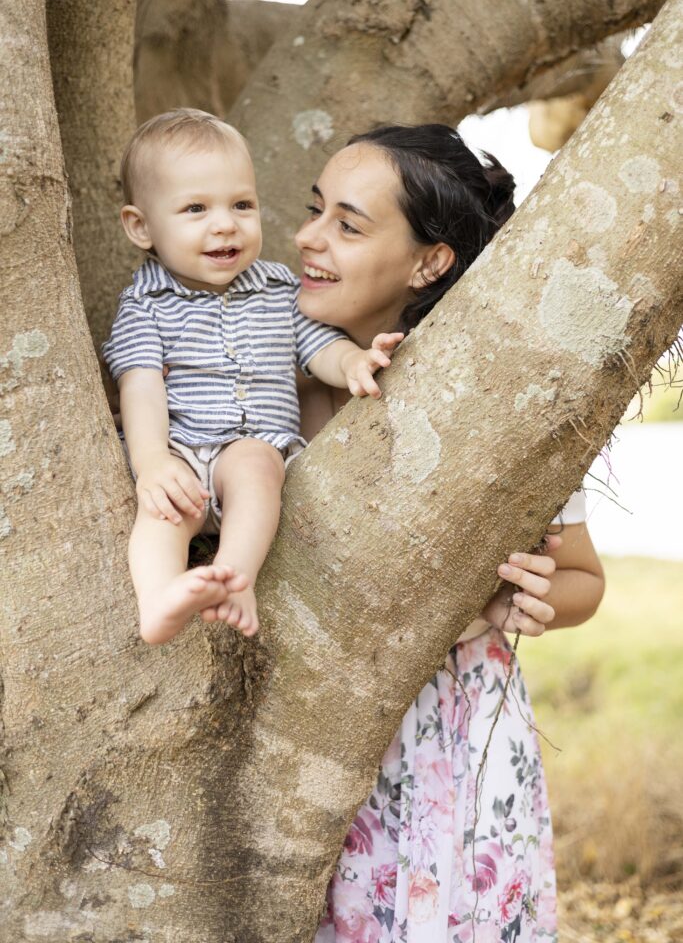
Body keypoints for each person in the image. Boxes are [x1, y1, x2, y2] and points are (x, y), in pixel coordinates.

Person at [291, 125, 605, 942]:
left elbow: (583, 580)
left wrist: (532, 602)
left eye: (348, 225)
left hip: (457, 747)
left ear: (430, 262)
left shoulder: (492, 405)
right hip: (296, 749)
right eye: (314, 210)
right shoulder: (262, 376)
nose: (307, 238)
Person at [102, 109, 403, 645]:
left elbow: (318, 348)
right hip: (181, 452)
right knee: (163, 515)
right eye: (195, 209)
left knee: (259, 468)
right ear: (141, 226)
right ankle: (158, 602)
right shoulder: (145, 304)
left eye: (242, 205)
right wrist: (151, 463)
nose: (225, 224)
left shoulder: (277, 288)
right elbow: (140, 386)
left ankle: (236, 579)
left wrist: (354, 362)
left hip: (251, 446)